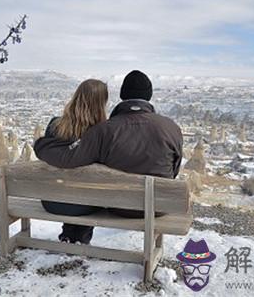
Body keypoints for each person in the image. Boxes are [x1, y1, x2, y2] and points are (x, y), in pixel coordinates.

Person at [34, 70, 183, 227]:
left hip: (119, 206)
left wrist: (42, 144)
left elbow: (70, 158)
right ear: (149, 95)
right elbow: (174, 169)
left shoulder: (104, 131)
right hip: (159, 206)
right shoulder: (171, 128)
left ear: (122, 95)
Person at [39, 79, 109, 244]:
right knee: (89, 189)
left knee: (69, 185)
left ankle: (68, 235)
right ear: (101, 103)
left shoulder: (54, 126)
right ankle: (80, 238)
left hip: (51, 201)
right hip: (85, 205)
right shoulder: (103, 132)